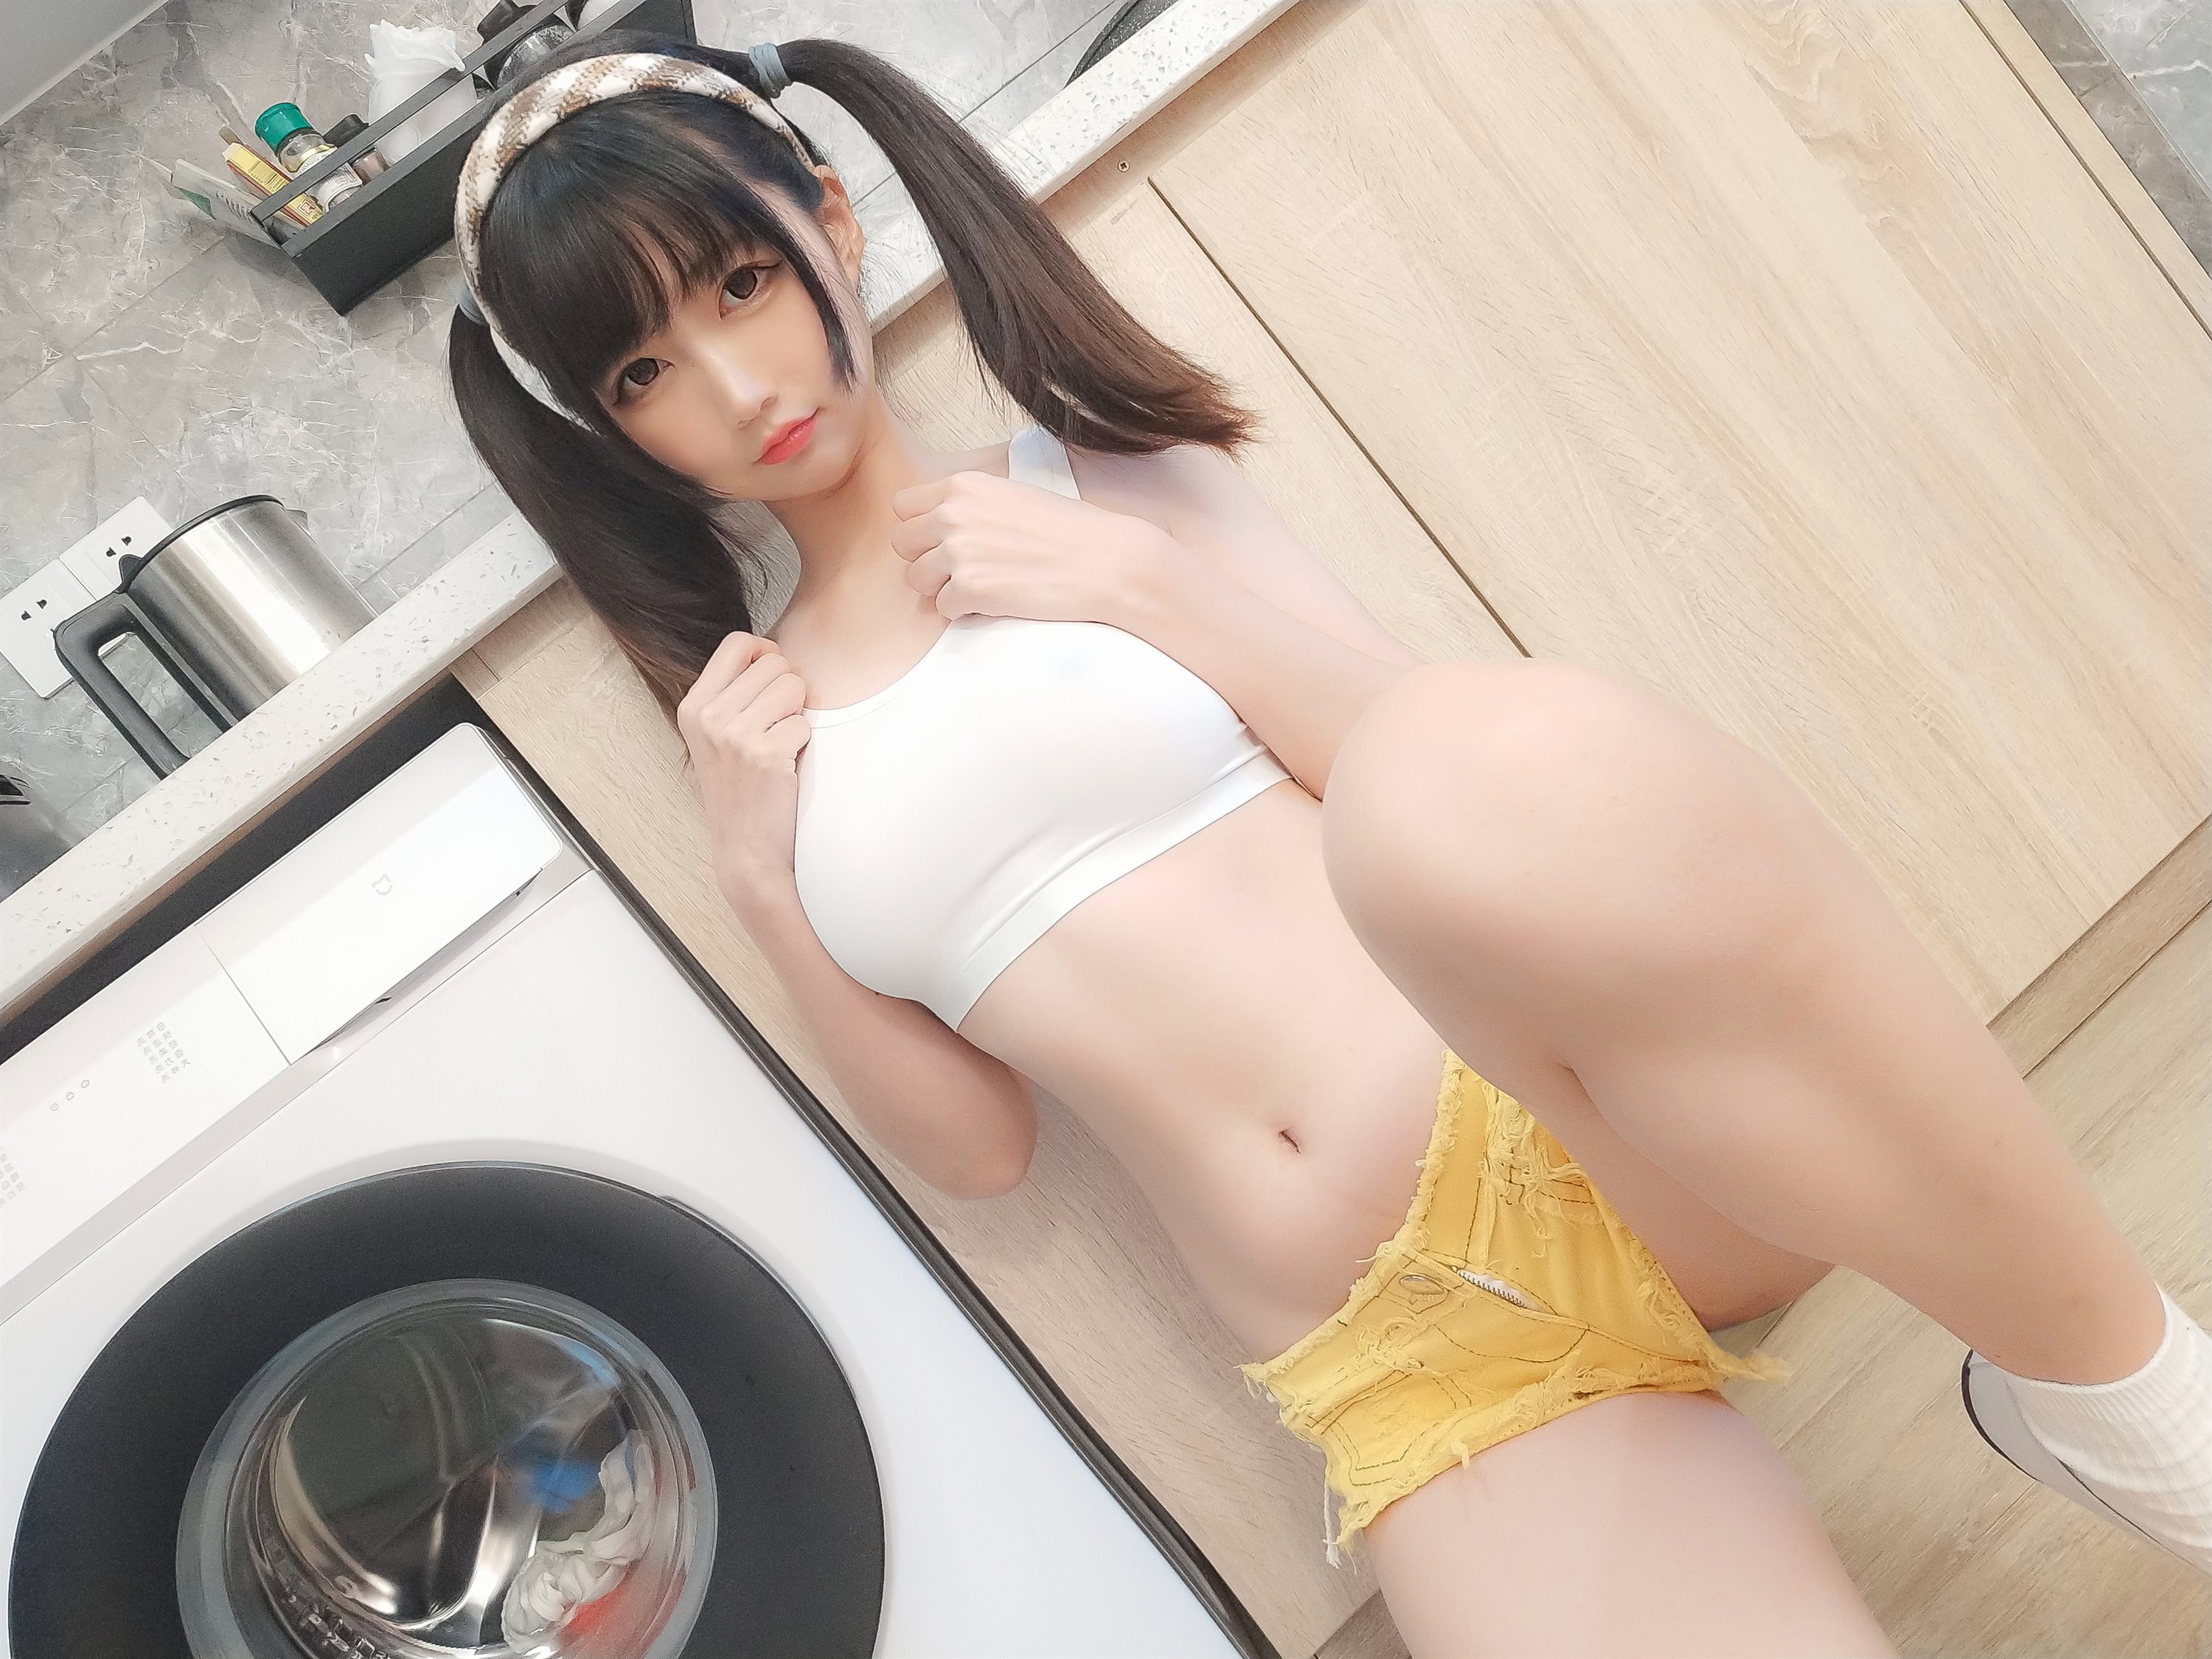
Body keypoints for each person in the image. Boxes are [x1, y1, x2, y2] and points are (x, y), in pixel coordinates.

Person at [445, 30, 2212, 1655]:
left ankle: (2124, 1404)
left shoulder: (1093, 484)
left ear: (831, 218)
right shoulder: (762, 739)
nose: (736, 382)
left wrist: (1142, 586)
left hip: (1588, 1139)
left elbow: (1444, 778)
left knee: (1486, 756)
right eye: (647, 368)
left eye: (743, 281)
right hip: (1414, 1359)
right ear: (614, 429)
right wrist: (760, 880)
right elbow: (979, 1150)